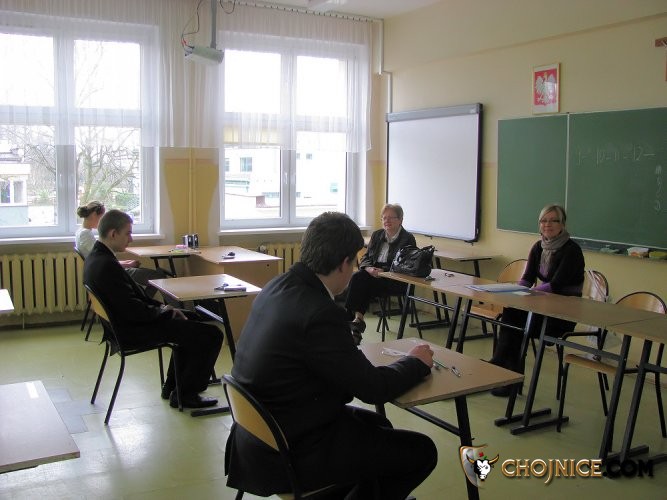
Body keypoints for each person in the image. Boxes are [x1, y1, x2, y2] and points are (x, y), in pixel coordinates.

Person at [225, 212, 438, 499]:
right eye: (355, 262)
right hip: (293, 451)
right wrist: (415, 362)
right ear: (343, 264)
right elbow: (373, 389)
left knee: (378, 426)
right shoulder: (320, 313)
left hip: (258, 438)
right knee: (422, 451)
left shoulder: (277, 285)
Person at [83, 209, 223, 409]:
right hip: (132, 330)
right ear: (113, 234)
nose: (131, 239)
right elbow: (133, 309)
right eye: (128, 233)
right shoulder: (106, 265)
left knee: (192, 320)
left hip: (121, 327)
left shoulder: (97, 258)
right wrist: (166, 312)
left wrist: (165, 309)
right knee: (212, 334)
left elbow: (131, 302)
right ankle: (186, 394)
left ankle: (173, 386)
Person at [488, 204, 585, 396]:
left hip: (562, 315)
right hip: (543, 308)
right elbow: (527, 279)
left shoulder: (572, 250)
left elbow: (555, 285)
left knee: (516, 324)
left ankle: (502, 368)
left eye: (553, 220)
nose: (547, 224)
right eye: (543, 220)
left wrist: (529, 294)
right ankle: (508, 377)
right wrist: (513, 292)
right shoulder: (538, 247)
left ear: (562, 224)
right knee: (512, 313)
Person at [344, 203, 416, 342]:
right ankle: (357, 321)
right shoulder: (377, 235)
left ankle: (352, 321)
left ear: (400, 220)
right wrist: (369, 268)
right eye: (384, 218)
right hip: (373, 274)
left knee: (362, 282)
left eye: (391, 218)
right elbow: (366, 257)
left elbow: (405, 266)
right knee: (359, 277)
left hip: (394, 279)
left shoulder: (407, 238)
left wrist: (384, 271)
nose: (386, 221)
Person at [76, 201, 168, 297]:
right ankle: (146, 299)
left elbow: (102, 258)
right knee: (158, 277)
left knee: (154, 277)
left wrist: (125, 263)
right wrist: (126, 264)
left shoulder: (81, 232)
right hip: (112, 273)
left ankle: (144, 299)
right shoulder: (85, 234)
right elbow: (102, 261)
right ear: (94, 215)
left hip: (108, 271)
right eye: (102, 216)